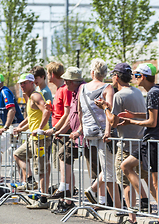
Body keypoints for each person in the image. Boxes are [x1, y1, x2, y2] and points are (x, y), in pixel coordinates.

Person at [119, 63, 159, 224]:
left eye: (136, 75)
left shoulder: (153, 94)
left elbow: (152, 122)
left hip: (155, 141)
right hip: (150, 141)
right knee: (126, 166)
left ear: (143, 76)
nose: (134, 78)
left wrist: (131, 122)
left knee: (158, 183)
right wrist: (133, 115)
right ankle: (144, 200)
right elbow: (153, 116)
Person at [95, 63, 150, 224]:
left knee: (125, 183)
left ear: (116, 77)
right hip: (141, 142)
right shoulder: (137, 92)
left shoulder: (119, 96)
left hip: (126, 144)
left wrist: (105, 107)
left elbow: (114, 122)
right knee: (146, 178)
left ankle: (131, 218)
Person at [52, 67, 100, 214]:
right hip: (77, 135)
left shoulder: (82, 91)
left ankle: (105, 200)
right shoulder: (73, 92)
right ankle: (65, 190)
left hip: (87, 135)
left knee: (95, 169)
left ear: (73, 81)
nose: (65, 83)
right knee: (64, 154)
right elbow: (72, 117)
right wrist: (59, 131)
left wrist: (78, 131)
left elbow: (83, 115)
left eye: (67, 80)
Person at [78, 58, 122, 211]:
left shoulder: (82, 88)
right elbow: (109, 110)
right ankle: (117, 207)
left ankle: (100, 199)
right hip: (103, 132)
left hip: (89, 131)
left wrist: (82, 129)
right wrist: (108, 131)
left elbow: (79, 111)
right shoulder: (107, 87)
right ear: (105, 73)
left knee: (104, 167)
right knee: (109, 171)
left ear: (92, 72)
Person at [13, 73, 51, 209]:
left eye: (24, 83)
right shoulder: (29, 98)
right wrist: (20, 128)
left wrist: (40, 129)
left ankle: (43, 199)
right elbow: (31, 119)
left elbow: (47, 111)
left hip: (40, 139)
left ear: (32, 83)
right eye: (20, 83)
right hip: (33, 138)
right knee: (18, 154)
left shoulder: (35, 95)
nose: (21, 85)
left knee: (41, 169)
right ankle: (30, 180)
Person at [0, 72, 24, 186]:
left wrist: (6, 127)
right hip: (12, 127)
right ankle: (23, 180)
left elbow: (11, 110)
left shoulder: (4, 92)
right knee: (16, 153)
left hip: (15, 127)